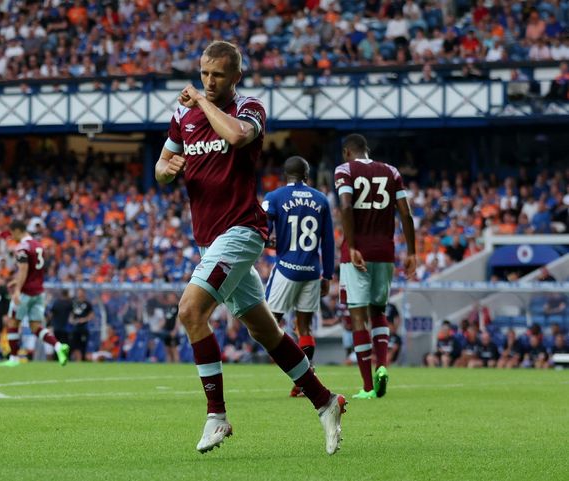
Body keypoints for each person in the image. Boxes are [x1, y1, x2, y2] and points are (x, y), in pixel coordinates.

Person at [155, 40, 346, 455]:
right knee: (265, 330)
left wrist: (203, 104)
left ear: (235, 77)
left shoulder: (249, 109)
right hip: (210, 239)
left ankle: (216, 417)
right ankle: (326, 400)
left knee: (190, 311)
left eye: (217, 75)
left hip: (242, 230)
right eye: (204, 73)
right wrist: (167, 170)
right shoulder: (181, 115)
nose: (208, 81)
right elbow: (161, 165)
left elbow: (238, 136)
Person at [335, 133, 416, 399]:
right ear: (366, 150)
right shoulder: (391, 171)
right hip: (385, 251)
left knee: (358, 317)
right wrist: (412, 252)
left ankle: (368, 386)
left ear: (348, 152)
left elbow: (346, 206)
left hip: (357, 253)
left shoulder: (345, 170)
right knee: (379, 310)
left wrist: (354, 245)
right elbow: (405, 212)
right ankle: (382, 365)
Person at [261, 155, 335, 397]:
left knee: (268, 324)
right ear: (307, 175)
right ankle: (305, 381)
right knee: (304, 327)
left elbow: (262, 226)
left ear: (285, 175)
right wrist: (327, 275)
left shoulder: (275, 197)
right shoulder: (321, 199)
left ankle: (298, 373)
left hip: (286, 267)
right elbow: (329, 242)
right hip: (312, 271)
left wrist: (268, 240)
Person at [0, 220, 69, 367]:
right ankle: (58, 347)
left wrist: (17, 289)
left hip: (25, 292)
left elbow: (23, 269)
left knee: (13, 322)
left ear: (18, 230)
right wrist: (15, 280)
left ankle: (13, 358)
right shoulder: (39, 245)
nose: (12, 237)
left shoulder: (22, 247)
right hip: (38, 292)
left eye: (12, 234)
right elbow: (33, 271)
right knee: (36, 326)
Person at [70, 288, 94, 362]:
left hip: (84, 328)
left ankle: (82, 359)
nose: (79, 294)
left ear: (84, 293)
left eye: (80, 292)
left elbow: (91, 315)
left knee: (83, 344)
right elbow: (71, 314)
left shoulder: (87, 303)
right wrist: (72, 320)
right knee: (74, 344)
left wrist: (84, 320)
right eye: (78, 292)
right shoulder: (74, 303)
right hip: (75, 328)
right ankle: (77, 359)